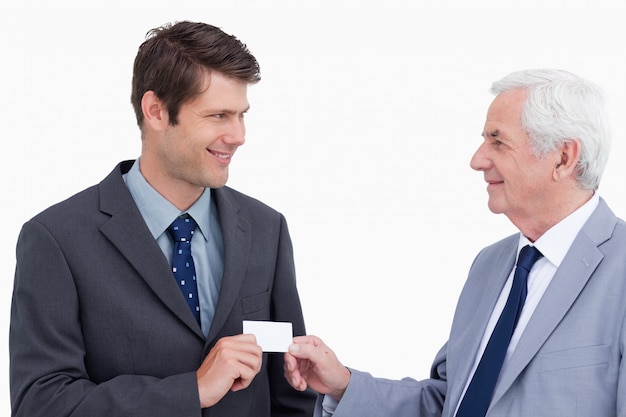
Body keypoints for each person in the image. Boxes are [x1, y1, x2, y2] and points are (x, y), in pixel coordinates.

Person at [10, 21, 316, 417]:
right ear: (155, 111)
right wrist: (191, 391)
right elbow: (42, 404)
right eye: (218, 115)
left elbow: (291, 398)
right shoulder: (56, 239)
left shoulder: (265, 228)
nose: (238, 135)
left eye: (242, 115)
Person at [284, 68, 626, 416]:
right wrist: (343, 385)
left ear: (563, 157)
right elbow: (449, 402)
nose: (477, 160)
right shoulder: (490, 264)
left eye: (498, 140)